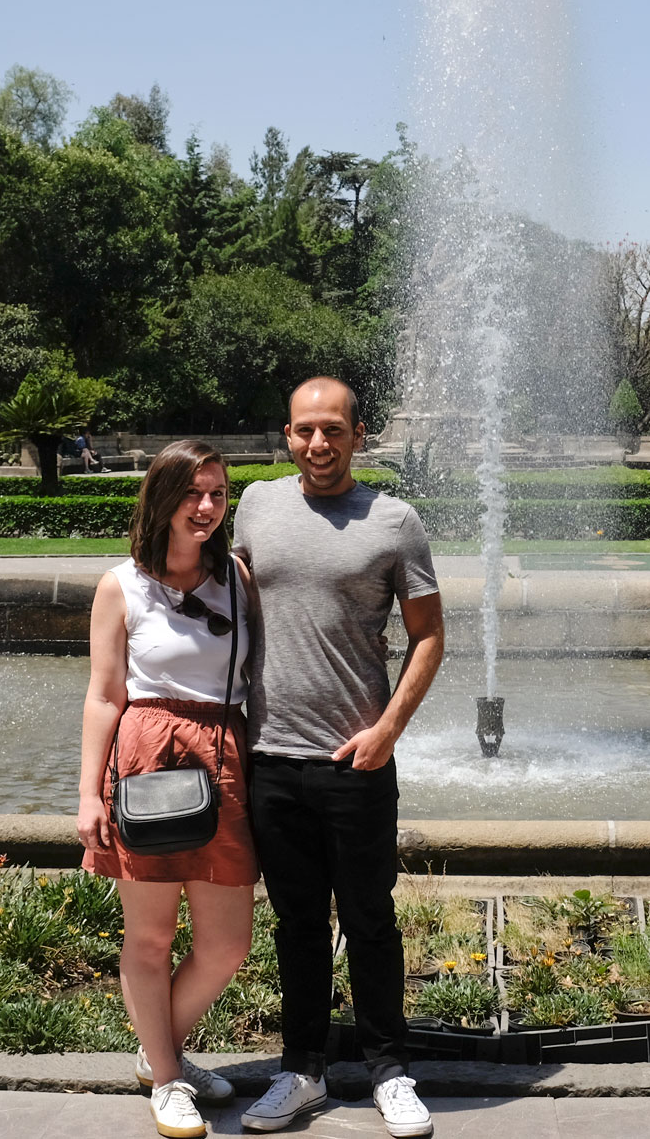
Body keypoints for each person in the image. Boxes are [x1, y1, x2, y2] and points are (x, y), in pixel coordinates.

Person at [234, 377, 445, 1138]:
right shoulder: (255, 505)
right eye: (302, 430)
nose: (317, 444)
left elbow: (429, 636)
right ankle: (302, 1068)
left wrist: (388, 731)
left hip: (356, 761)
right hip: (271, 759)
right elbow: (228, 598)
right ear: (286, 435)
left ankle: (390, 1070)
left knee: (369, 916)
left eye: (332, 429)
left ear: (359, 434)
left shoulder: (394, 521)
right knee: (295, 922)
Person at [77, 439, 259, 1139]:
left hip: (222, 754)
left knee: (228, 943)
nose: (209, 506)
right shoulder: (120, 584)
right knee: (149, 937)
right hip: (148, 754)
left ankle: (162, 1057)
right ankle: (165, 1075)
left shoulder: (237, 578)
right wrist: (89, 793)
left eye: (218, 493)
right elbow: (102, 695)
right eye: (194, 492)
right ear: (162, 498)